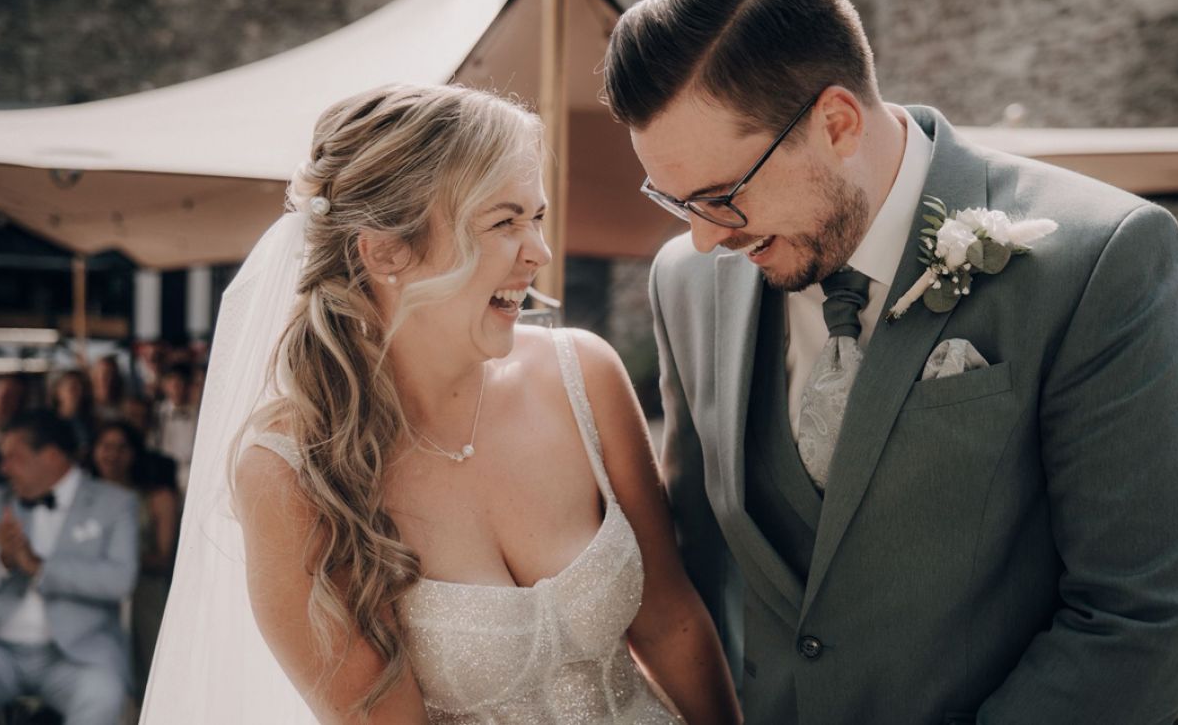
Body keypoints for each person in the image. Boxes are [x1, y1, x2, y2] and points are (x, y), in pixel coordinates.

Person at [602, 0, 1178, 723]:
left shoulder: (1097, 259)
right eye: (676, 200)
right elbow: (704, 582)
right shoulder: (684, 282)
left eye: (722, 196)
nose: (706, 238)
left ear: (837, 123)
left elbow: (1142, 617)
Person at [141, 83, 740, 724]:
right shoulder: (292, 474)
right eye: (504, 222)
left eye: (536, 217)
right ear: (387, 252)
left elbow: (670, 620)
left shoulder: (584, 376)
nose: (539, 251)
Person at [0, 409, 139, 725]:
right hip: (2, 650)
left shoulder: (115, 503)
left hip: (78, 655)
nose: (4, 468)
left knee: (103, 694)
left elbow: (120, 580)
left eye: (13, 457)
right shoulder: (0, 501)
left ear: (50, 456)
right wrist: (4, 561)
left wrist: (39, 567)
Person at [88, 420, 179, 702]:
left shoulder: (156, 498)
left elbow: (164, 559)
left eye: (121, 448)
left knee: (150, 676)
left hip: (143, 596)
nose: (112, 455)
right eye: (106, 446)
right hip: (95, 598)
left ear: (134, 454)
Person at [152, 364, 197, 493]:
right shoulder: (157, 413)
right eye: (171, 383)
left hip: (191, 474)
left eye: (180, 383)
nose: (176, 389)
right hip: (164, 477)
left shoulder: (198, 414)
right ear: (164, 386)